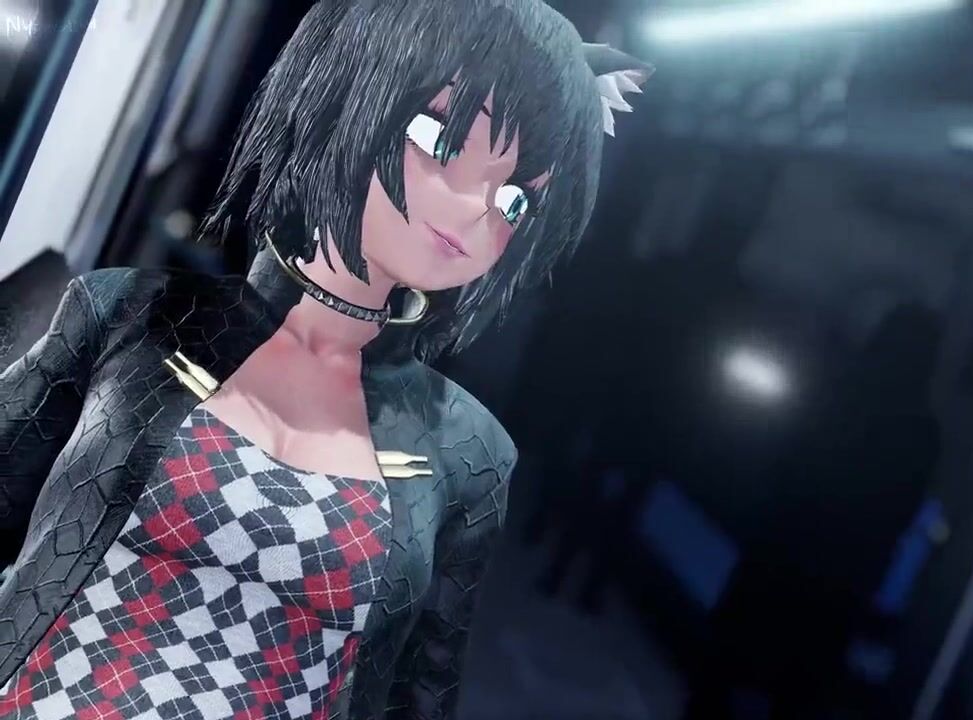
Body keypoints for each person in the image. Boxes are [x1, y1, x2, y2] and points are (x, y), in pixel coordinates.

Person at [0, 2, 650, 718]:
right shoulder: (125, 313)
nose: (478, 209)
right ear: (350, 91)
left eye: (517, 200)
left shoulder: (471, 453)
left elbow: (419, 695)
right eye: (440, 139)